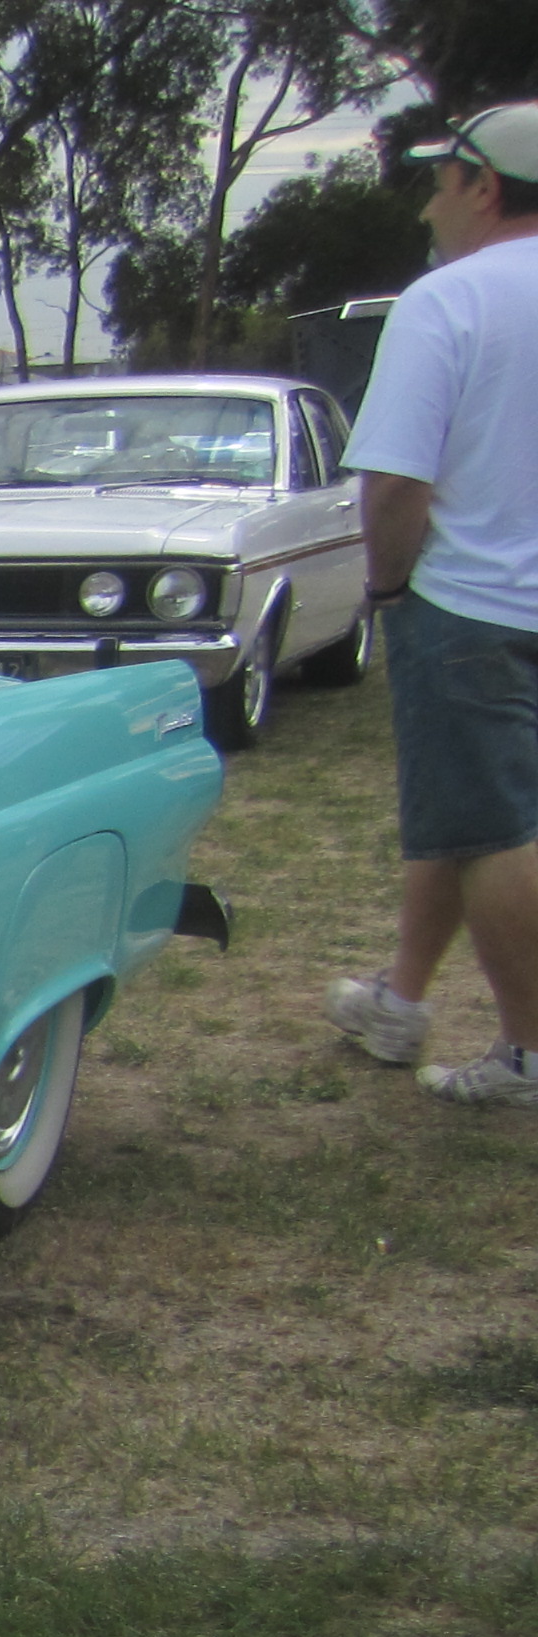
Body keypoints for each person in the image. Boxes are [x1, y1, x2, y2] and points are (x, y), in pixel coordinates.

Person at [326, 101, 538, 1111]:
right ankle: (401, 1000)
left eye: (440, 182)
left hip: (470, 602)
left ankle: (528, 1052)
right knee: (459, 812)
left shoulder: (447, 302)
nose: (429, 206)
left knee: (494, 828)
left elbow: (395, 483)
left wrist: (387, 587)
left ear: (483, 186)